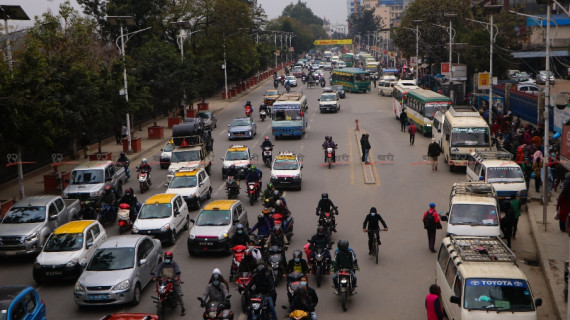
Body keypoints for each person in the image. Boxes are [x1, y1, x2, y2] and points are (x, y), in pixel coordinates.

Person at [153, 252, 186, 316]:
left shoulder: (174, 264)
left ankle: (183, 308)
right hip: (164, 280)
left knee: (178, 294)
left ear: (171, 258)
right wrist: (155, 276)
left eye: (168, 258)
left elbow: (177, 270)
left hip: (173, 280)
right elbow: (158, 271)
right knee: (159, 290)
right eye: (166, 258)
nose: (167, 259)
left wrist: (176, 276)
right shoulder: (162, 264)